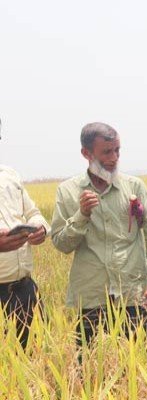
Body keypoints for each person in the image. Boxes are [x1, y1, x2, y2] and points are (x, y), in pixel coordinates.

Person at [51, 122, 147, 347]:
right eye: (107, 152)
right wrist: (82, 214)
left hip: (133, 294)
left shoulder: (134, 187)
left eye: (117, 150)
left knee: (141, 365)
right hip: (91, 297)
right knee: (87, 369)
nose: (114, 157)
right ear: (86, 153)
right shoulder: (67, 191)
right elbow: (61, 243)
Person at [0, 118, 50, 349]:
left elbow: (33, 212)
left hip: (24, 290)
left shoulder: (9, 174)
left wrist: (40, 228)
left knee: (38, 360)